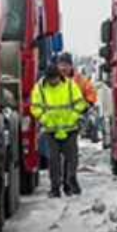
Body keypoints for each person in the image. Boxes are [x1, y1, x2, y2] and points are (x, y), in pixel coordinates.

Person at [31, 64, 88, 197]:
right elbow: (35, 108)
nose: (53, 82)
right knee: (54, 161)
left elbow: (80, 103)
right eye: (51, 80)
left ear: (60, 77)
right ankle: (55, 188)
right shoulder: (39, 89)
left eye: (55, 79)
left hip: (70, 129)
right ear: (47, 78)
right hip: (52, 131)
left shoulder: (70, 85)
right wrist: (46, 119)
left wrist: (73, 117)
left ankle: (70, 182)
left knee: (71, 159)